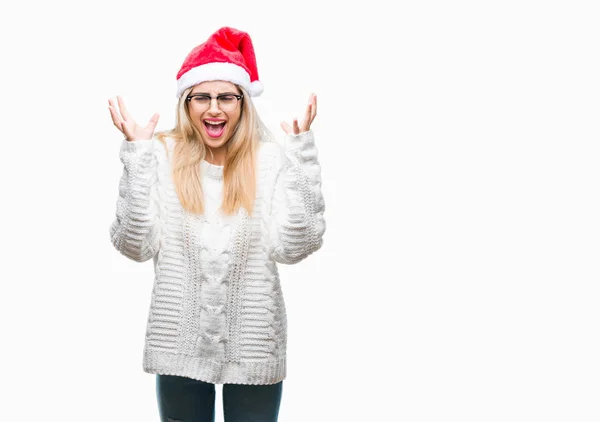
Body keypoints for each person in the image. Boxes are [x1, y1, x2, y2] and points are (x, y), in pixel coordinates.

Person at [108, 26, 326, 422]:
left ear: (243, 103)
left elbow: (294, 247)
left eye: (226, 97)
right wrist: (136, 157)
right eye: (202, 97)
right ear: (186, 103)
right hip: (179, 344)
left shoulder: (269, 159)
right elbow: (133, 245)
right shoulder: (160, 156)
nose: (214, 108)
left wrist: (302, 159)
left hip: (254, 343)